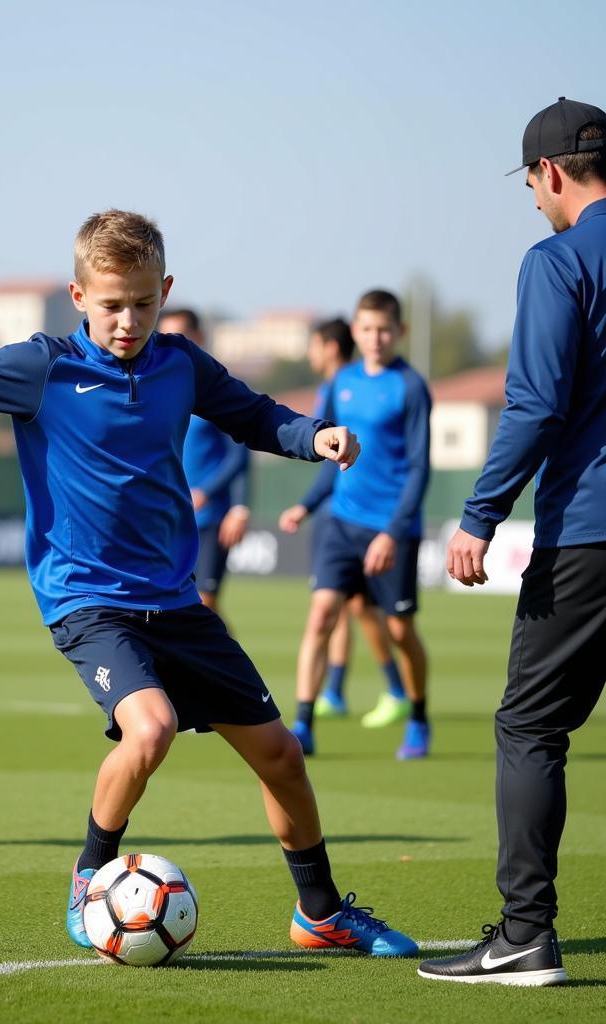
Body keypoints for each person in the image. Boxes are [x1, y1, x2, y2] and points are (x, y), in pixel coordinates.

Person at [0, 209, 417, 957]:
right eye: (111, 305)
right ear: (77, 295)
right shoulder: (43, 367)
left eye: (142, 303)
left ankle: (319, 914)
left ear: (165, 290)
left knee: (282, 756)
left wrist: (310, 437)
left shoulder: (181, 364)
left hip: (175, 598)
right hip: (89, 601)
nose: (128, 321)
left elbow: (253, 416)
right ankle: (89, 878)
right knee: (151, 727)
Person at [420, 97, 606, 987]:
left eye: (533, 184)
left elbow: (535, 404)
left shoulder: (558, 258)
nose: (535, 200)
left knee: (530, 725)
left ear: (552, 174)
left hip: (591, 536)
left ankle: (526, 935)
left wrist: (479, 516)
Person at [286, 292, 431, 759]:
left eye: (384, 329)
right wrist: (306, 506)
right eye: (366, 329)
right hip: (341, 525)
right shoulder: (341, 382)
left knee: (399, 631)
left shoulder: (410, 387)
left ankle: (419, 718)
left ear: (399, 332)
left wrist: (393, 531)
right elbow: (333, 458)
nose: (375, 338)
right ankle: (303, 723)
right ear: (355, 331)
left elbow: (419, 467)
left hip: (392, 530)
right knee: (322, 614)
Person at [279, 319, 407, 725]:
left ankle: (381, 689)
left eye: (314, 346)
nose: (310, 355)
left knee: (364, 610)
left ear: (331, 347)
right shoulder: (337, 386)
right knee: (341, 606)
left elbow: (337, 463)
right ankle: (333, 693)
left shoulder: (346, 388)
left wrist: (308, 503)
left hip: (369, 518)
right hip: (339, 518)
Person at [158, 308, 250, 616]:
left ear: (198, 337)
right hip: (169, 519)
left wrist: (235, 505)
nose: (173, 343)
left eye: (180, 335)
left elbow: (240, 453)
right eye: (166, 336)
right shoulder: (157, 388)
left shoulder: (214, 389)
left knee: (205, 604)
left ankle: (232, 666)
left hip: (210, 518)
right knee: (178, 610)